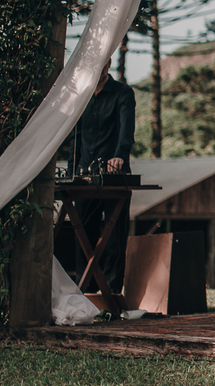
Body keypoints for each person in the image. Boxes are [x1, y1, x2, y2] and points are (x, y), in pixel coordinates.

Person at [70, 58, 136, 294]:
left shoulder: (123, 93)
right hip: (86, 176)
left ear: (108, 64)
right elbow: (75, 139)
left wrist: (120, 155)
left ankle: (112, 293)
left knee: (114, 237)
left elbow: (126, 130)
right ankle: (84, 291)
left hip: (114, 176)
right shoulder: (82, 97)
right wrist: (71, 171)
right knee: (82, 235)